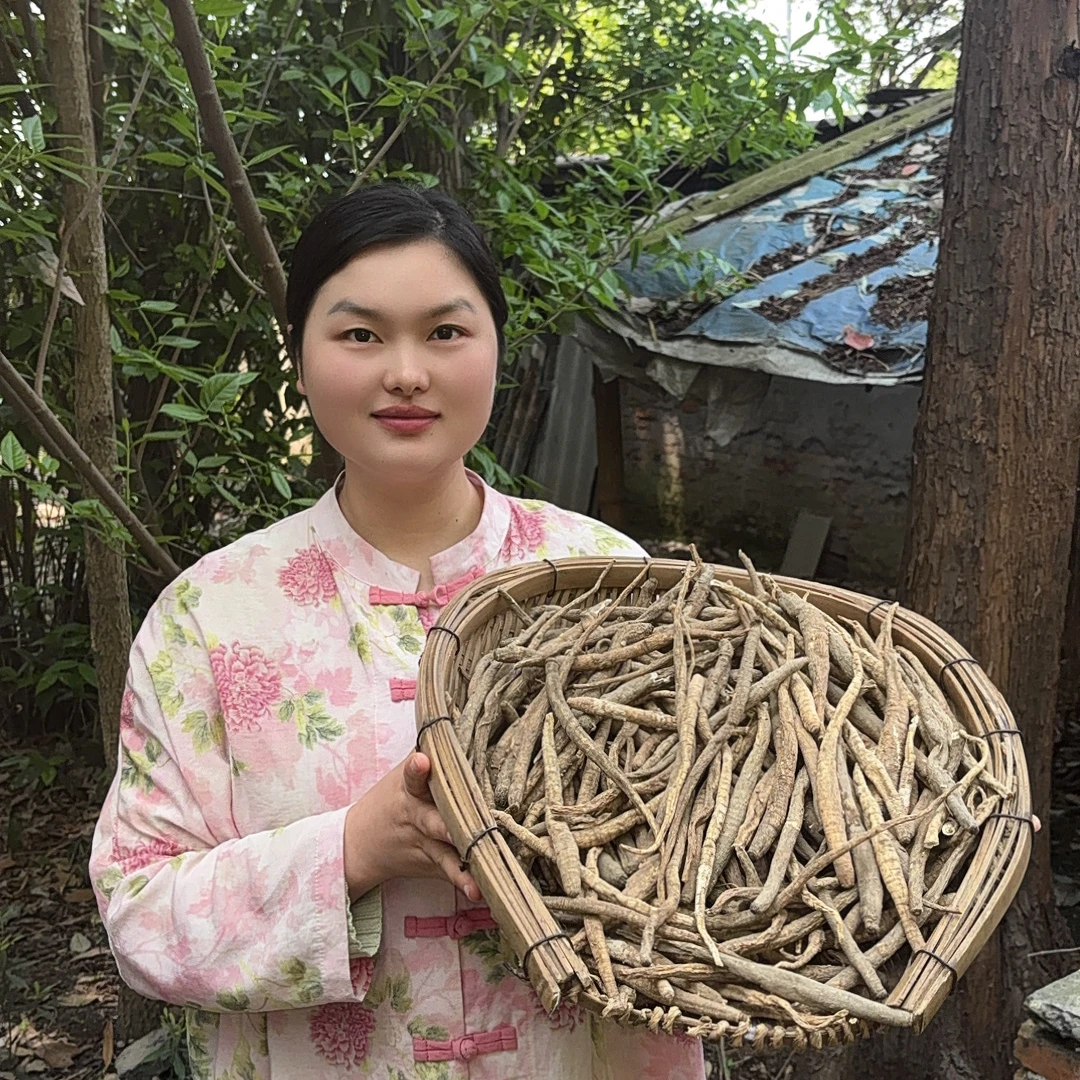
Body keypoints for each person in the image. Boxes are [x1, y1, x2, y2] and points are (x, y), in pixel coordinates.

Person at [90, 183, 707, 1079]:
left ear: (498, 349)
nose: (407, 372)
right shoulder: (209, 615)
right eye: (360, 334)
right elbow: (140, 911)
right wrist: (351, 849)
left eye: (446, 331)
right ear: (299, 358)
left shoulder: (607, 577)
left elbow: (710, 832)